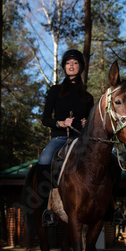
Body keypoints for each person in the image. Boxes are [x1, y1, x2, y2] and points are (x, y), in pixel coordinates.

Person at [37, 49, 94, 227]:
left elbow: (92, 123)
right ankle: (46, 207)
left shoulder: (88, 97)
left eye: (75, 62)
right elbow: (45, 119)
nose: (71, 65)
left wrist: (87, 124)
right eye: (68, 63)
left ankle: (112, 208)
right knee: (44, 159)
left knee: (110, 160)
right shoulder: (54, 91)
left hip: (82, 141)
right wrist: (61, 123)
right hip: (60, 138)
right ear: (64, 67)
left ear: (81, 67)